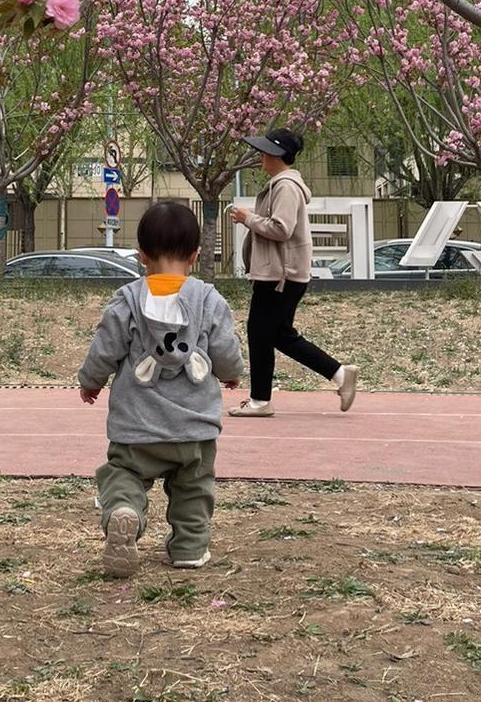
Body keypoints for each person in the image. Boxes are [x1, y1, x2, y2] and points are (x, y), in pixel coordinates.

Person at [78, 200, 244, 577]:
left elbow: (104, 348)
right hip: (194, 428)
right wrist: (231, 373)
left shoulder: (128, 299)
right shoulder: (208, 299)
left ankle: (126, 512)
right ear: (196, 255)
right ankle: (189, 546)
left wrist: (91, 381)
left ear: (141, 256)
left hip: (138, 427)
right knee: (194, 488)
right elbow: (225, 349)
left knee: (124, 474)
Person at [228, 127, 357, 418]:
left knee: (261, 333)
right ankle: (338, 375)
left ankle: (261, 400)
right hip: (281, 274)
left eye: (264, 151)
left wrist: (248, 218)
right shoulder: (281, 183)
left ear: (276, 154)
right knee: (279, 335)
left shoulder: (285, 186)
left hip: (279, 276)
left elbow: (281, 228)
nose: (259, 155)